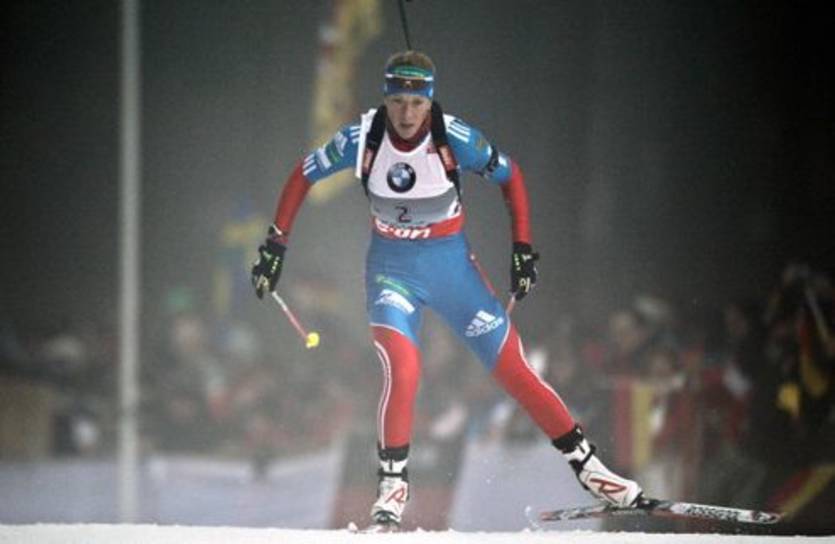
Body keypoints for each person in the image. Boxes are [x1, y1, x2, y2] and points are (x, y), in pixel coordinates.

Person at [251, 50, 642, 531]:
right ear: (386, 98)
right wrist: (275, 246)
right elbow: (303, 174)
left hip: (452, 270)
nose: (407, 113)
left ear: (430, 101)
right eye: (398, 101)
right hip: (392, 272)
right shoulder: (362, 137)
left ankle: (591, 470)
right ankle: (392, 487)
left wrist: (522, 248)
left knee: (514, 368)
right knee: (403, 366)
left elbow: (511, 176)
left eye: (417, 103)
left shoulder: (455, 138)